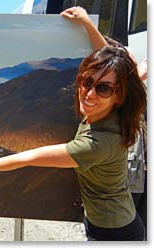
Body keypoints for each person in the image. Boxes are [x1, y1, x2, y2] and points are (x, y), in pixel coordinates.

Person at [0, 44, 147, 240]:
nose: (89, 93)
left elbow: (31, 157)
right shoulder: (113, 111)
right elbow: (119, 78)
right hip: (113, 219)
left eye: (103, 88)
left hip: (112, 231)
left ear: (118, 95)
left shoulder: (95, 145)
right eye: (86, 82)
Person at [61, 6, 148, 237]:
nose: (90, 92)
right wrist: (87, 24)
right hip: (116, 214)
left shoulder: (105, 127)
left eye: (104, 86)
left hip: (116, 224)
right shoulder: (115, 107)